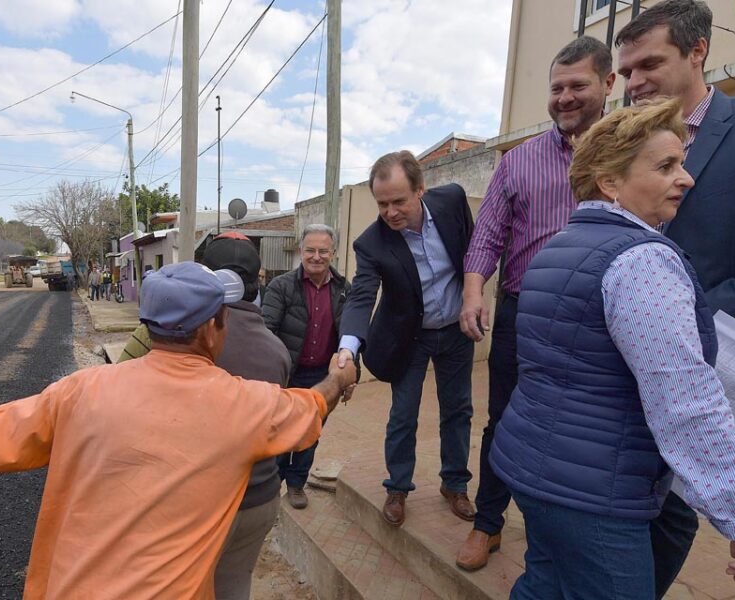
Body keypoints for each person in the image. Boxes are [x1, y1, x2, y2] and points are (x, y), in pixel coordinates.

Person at [0, 261, 357, 599]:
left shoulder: (79, 391)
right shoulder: (247, 406)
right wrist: (339, 376)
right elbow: (312, 409)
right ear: (210, 327)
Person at [489, 98, 735, 599]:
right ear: (610, 182)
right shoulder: (639, 261)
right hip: (594, 490)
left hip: (534, 462)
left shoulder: (556, 247)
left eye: (681, 164)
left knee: (547, 584)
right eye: (666, 166)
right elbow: (683, 400)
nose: (685, 179)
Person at [614, 1, 735, 594]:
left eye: (650, 63)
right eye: (626, 72)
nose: (635, 82)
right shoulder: (625, 143)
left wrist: (700, 318)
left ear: (698, 50)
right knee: (629, 488)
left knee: (676, 499)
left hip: (720, 354)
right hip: (625, 359)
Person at [456, 36, 615, 571]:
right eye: (557, 88)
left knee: (587, 428)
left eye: (578, 85)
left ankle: (572, 538)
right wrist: (475, 291)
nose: (565, 97)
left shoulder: (631, 154)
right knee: (505, 419)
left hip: (605, 318)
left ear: (608, 85)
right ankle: (488, 523)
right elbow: (487, 236)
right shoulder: (518, 161)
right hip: (525, 312)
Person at [119, 233, 290, 600]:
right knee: (233, 585)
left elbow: (121, 392)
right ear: (254, 282)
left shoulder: (168, 336)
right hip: (259, 496)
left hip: (192, 500)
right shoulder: (277, 351)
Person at [338, 150, 475, 527]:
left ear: (420, 190)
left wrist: (475, 297)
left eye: (399, 201)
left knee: (458, 409)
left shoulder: (452, 201)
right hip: (409, 338)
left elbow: (475, 249)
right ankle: (397, 488)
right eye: (382, 204)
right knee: (403, 416)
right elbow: (362, 294)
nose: (391, 212)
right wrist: (348, 349)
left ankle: (455, 484)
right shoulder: (372, 243)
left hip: (455, 331)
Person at [262, 224, 352, 509]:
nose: (316, 256)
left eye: (323, 251)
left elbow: (350, 336)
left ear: (333, 253)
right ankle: (271, 484)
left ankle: (297, 484)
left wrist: (349, 376)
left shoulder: (343, 290)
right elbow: (267, 331)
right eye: (310, 250)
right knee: (279, 432)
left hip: (321, 377)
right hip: (287, 374)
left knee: (309, 433)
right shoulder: (281, 287)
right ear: (300, 251)